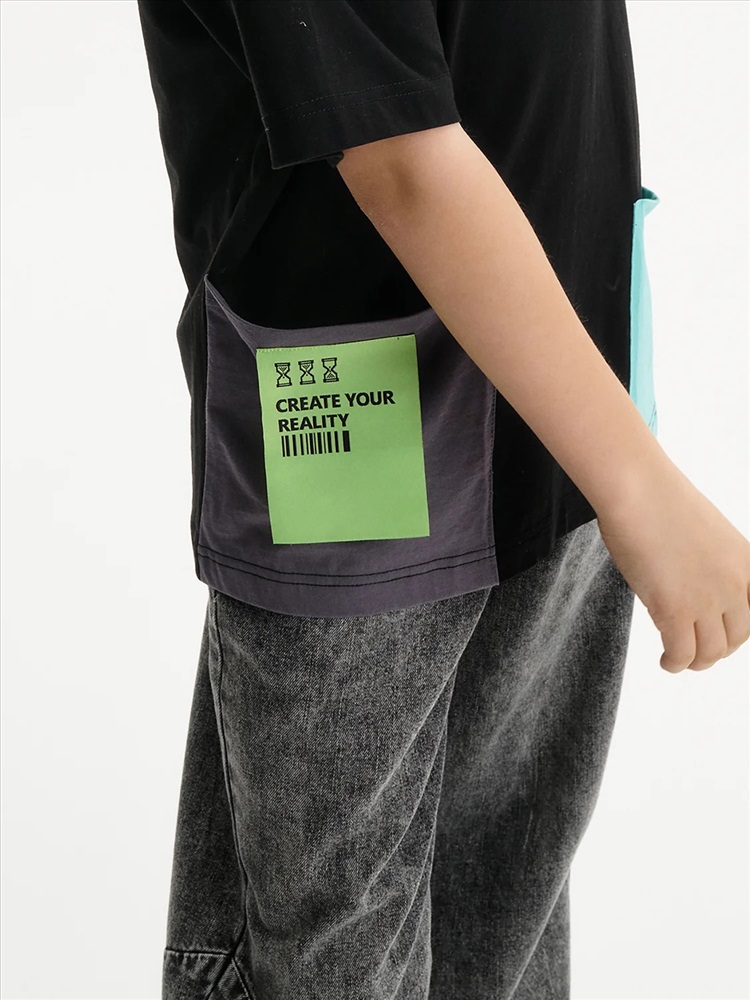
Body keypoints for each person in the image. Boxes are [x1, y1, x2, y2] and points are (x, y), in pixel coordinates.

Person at [136, 2, 750, 997]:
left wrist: (616, 463)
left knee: (499, 927)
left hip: (565, 426)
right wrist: (640, 485)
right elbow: (400, 159)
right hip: (369, 464)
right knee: (327, 957)